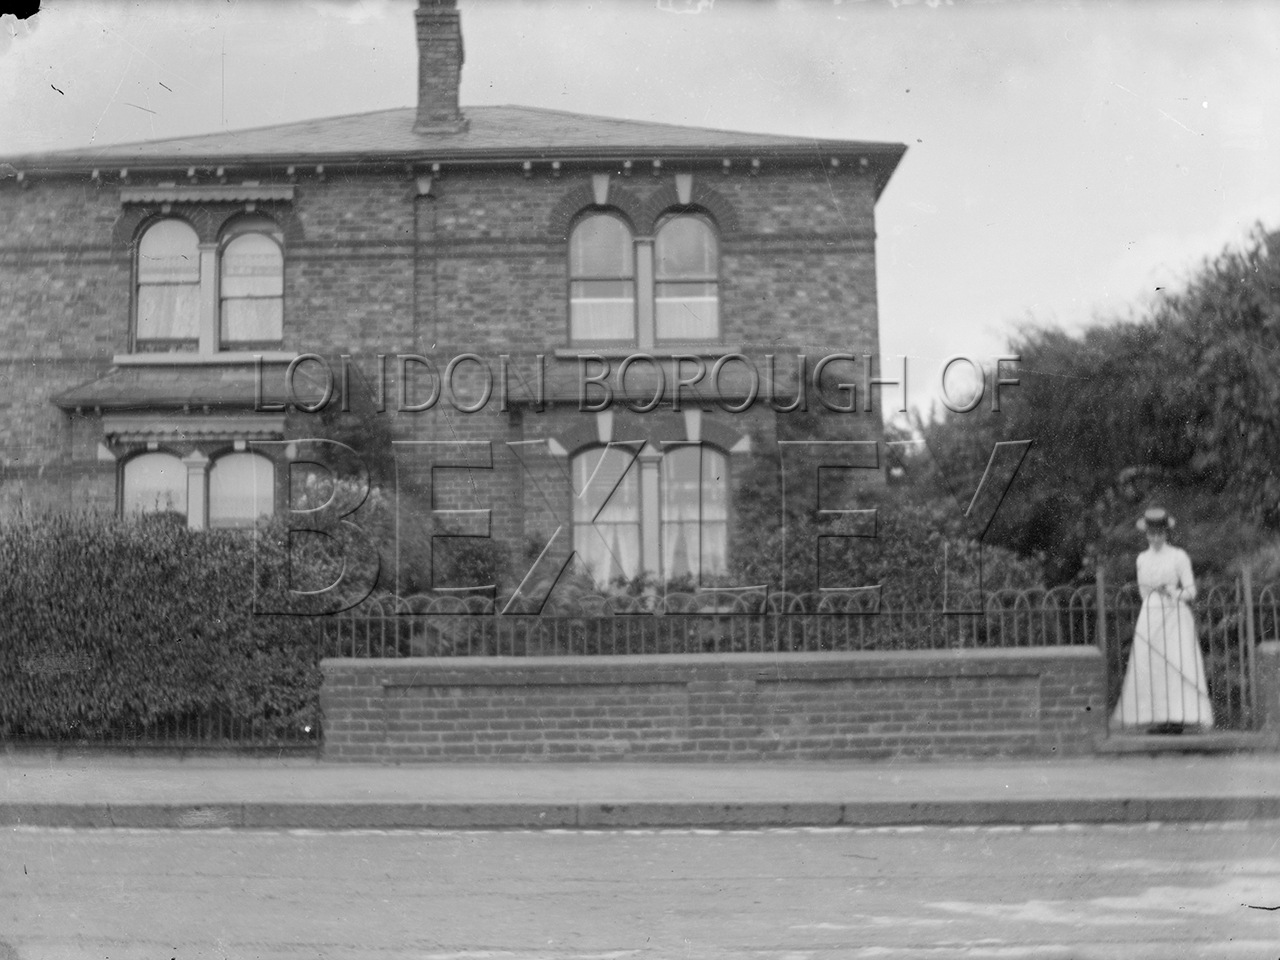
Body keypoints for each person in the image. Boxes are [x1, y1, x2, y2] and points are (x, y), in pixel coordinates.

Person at [1111, 507, 1214, 733]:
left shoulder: (1178, 556)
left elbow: (1191, 591)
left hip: (1175, 615)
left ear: (1166, 533)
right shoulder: (1142, 559)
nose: (1156, 538)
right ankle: (1159, 717)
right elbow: (1143, 593)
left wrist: (1172, 592)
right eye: (1151, 533)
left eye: (1160, 533)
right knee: (1152, 665)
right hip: (1151, 615)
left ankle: (1178, 718)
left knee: (1176, 663)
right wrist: (1154, 597)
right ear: (1146, 534)